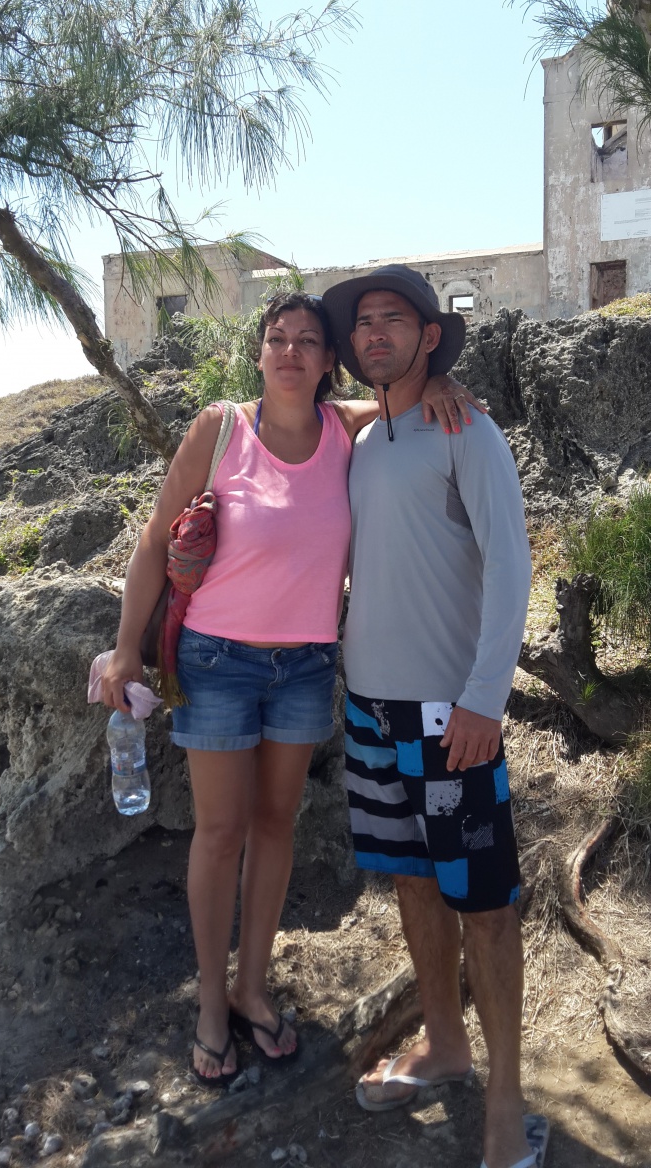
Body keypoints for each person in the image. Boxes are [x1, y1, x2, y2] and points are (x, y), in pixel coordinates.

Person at [100, 290, 482, 1088]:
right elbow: (155, 538)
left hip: (305, 664)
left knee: (276, 827)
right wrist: (127, 648)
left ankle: (252, 988)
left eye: (308, 341)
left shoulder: (346, 429)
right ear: (260, 352)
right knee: (220, 833)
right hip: (216, 663)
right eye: (277, 338)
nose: (291, 352)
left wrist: (443, 379)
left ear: (327, 360)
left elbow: (402, 394)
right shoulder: (220, 429)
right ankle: (211, 1004)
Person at [322, 265, 537, 1168]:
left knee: (485, 908)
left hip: (453, 715)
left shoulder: (467, 429)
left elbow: (512, 562)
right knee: (413, 885)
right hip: (371, 712)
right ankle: (447, 1047)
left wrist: (487, 697)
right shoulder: (365, 438)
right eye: (362, 323)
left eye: (394, 319)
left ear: (429, 336)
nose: (375, 333)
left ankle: (507, 1101)